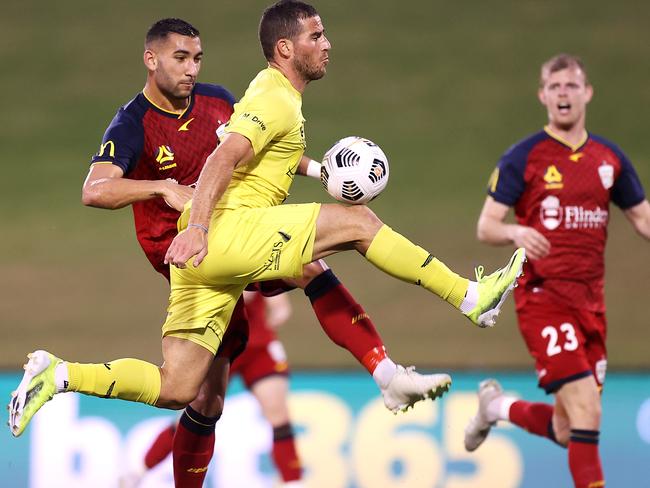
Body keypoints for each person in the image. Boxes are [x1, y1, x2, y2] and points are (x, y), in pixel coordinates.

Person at [9, 1, 524, 477]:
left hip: (202, 254)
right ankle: (469, 299)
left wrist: (325, 171)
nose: (193, 68)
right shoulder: (167, 116)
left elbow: (256, 148)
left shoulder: (231, 100)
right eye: (317, 35)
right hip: (212, 235)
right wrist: (184, 211)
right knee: (357, 224)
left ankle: (57, 375)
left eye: (198, 58)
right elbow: (215, 160)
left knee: (184, 389)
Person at [464, 53, 650, 488]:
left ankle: (496, 408)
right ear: (542, 96)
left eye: (571, 86)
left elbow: (642, 218)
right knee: (588, 412)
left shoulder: (609, 159)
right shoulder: (524, 158)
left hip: (592, 304)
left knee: (570, 430)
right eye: (555, 87)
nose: (563, 94)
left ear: (587, 93)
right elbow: (486, 226)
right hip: (543, 299)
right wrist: (515, 233)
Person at [121, 290, 304, 487]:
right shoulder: (206, 260)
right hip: (221, 346)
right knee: (189, 415)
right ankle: (138, 472)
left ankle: (293, 483)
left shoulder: (257, 261)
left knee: (279, 414)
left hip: (258, 348)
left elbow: (281, 306)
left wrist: (272, 317)